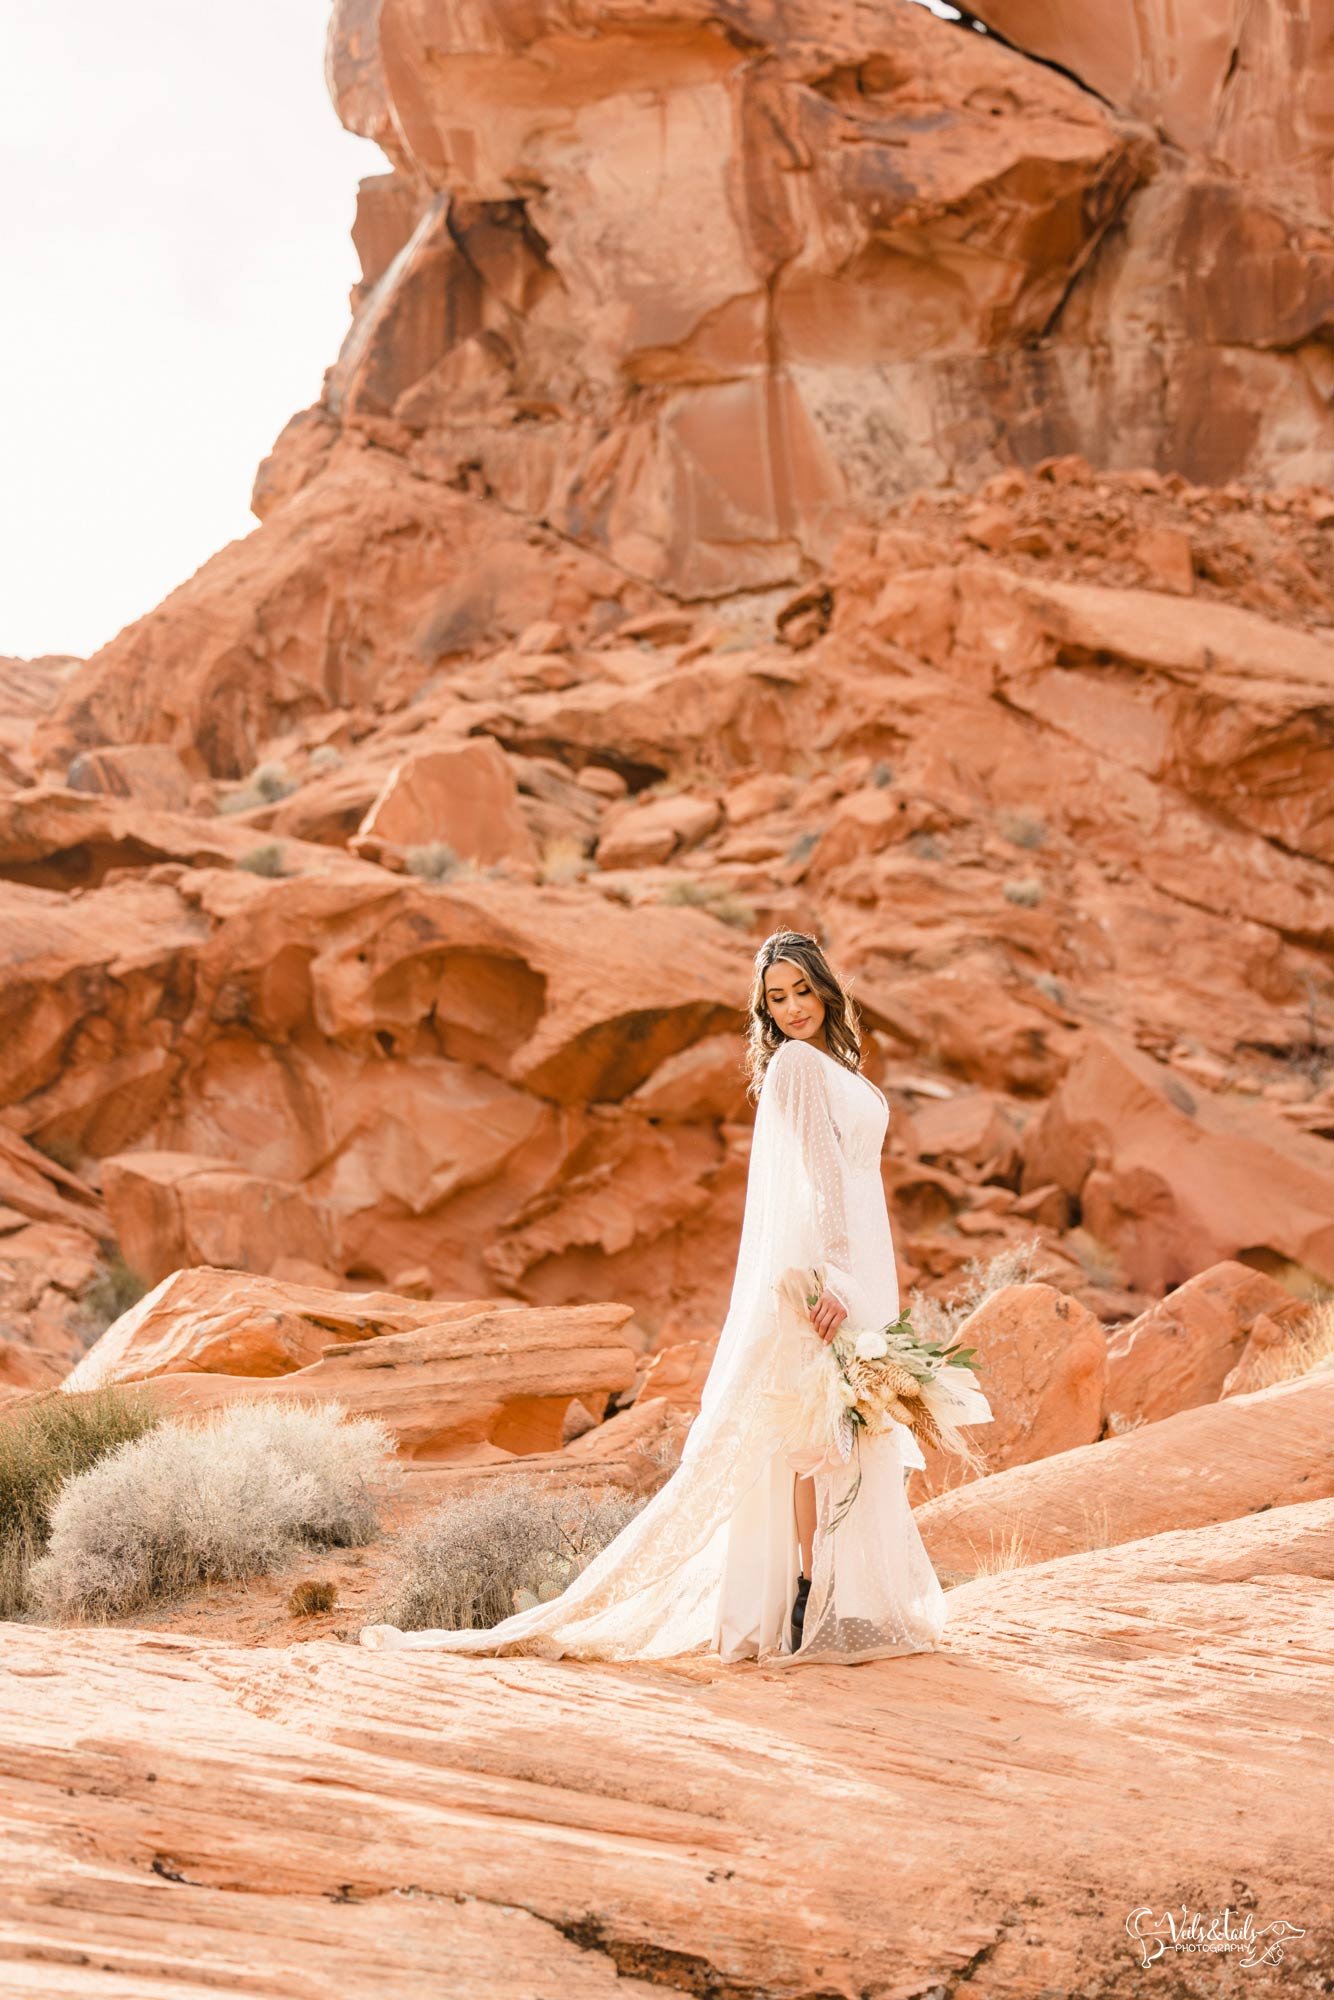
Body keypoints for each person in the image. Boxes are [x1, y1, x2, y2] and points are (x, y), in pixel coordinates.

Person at [359, 929, 952, 1665]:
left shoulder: (832, 1066)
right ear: (764, 1011)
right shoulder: (798, 1064)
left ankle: (835, 1596)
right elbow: (824, 1176)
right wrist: (836, 1275)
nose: (794, 1008)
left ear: (827, 989)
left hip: (860, 1258)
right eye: (777, 998)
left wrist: (859, 1274)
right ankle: (804, 1596)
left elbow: (849, 1180)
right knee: (810, 1433)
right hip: (832, 1267)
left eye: (803, 990)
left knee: (840, 1429)